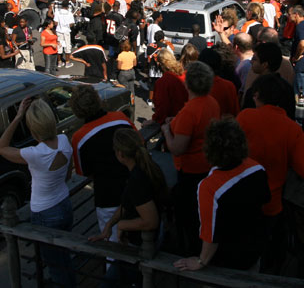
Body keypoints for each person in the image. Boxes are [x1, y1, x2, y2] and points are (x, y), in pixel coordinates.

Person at [237, 73, 304, 273]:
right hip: (271, 204)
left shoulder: (244, 117)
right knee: (269, 255)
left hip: (240, 199)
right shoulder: (291, 128)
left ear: (258, 95)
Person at [0, 98, 76, 288]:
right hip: (64, 204)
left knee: (55, 265)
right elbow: (68, 174)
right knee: (64, 258)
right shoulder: (64, 140)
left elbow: (1, 148)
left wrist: (17, 117)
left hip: (45, 212)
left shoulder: (35, 154)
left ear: (33, 129)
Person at [173, 119, 269, 272]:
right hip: (254, 248)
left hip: (226, 259)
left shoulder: (209, 187)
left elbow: (210, 235)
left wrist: (201, 261)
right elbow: (264, 200)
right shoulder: (257, 168)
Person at [90, 128, 167, 286]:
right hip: (145, 241)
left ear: (120, 154)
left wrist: (122, 225)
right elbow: (129, 203)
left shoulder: (137, 180)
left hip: (140, 246)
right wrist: (110, 224)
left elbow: (151, 221)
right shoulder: (147, 167)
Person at [162, 61, 221, 256]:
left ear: (188, 84)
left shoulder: (190, 111)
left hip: (190, 171)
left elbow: (177, 148)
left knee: (188, 217)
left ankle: (190, 253)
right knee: (200, 213)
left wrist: (166, 131)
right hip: (207, 165)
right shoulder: (211, 102)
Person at [71, 85, 135, 245]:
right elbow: (139, 143)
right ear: (98, 100)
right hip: (134, 189)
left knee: (112, 245)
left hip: (107, 197)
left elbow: (83, 172)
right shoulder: (121, 118)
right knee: (138, 241)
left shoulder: (79, 138)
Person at [54, 0, 75, 69]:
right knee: (67, 47)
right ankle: (67, 62)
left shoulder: (57, 12)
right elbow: (72, 24)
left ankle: (59, 62)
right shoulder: (69, 13)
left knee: (59, 46)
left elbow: (55, 23)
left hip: (59, 31)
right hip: (66, 32)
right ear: (68, 6)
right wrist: (67, 25)